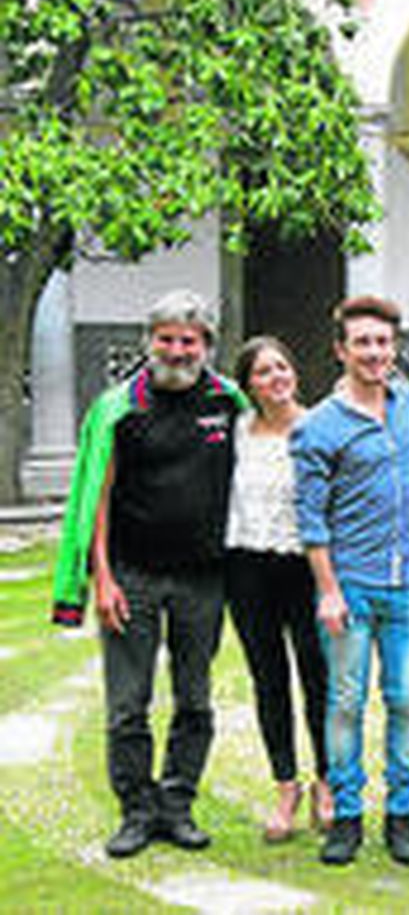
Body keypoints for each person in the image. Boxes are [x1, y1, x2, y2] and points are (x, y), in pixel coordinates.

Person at [52, 290, 248, 858]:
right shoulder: (120, 407)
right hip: (132, 577)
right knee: (127, 705)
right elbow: (99, 498)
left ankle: (178, 804)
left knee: (195, 700)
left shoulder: (229, 402)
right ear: (150, 342)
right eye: (167, 337)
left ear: (207, 345)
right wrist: (104, 579)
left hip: (203, 581)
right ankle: (136, 811)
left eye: (189, 340)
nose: (178, 349)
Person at [292, 296, 409, 867]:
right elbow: (310, 517)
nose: (375, 353)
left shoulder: (408, 406)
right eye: (363, 343)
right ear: (341, 350)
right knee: (345, 703)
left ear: (394, 347)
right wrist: (327, 589)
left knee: (408, 700)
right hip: (350, 587)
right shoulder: (318, 426)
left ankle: (401, 814)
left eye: (383, 342)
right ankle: (346, 816)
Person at [224, 336, 332, 842]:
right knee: (269, 679)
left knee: (318, 677)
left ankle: (326, 783)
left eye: (282, 367)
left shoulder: (318, 428)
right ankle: (285, 787)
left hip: (303, 567)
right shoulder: (236, 433)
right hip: (246, 566)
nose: (276, 378)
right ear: (249, 385)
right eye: (264, 372)